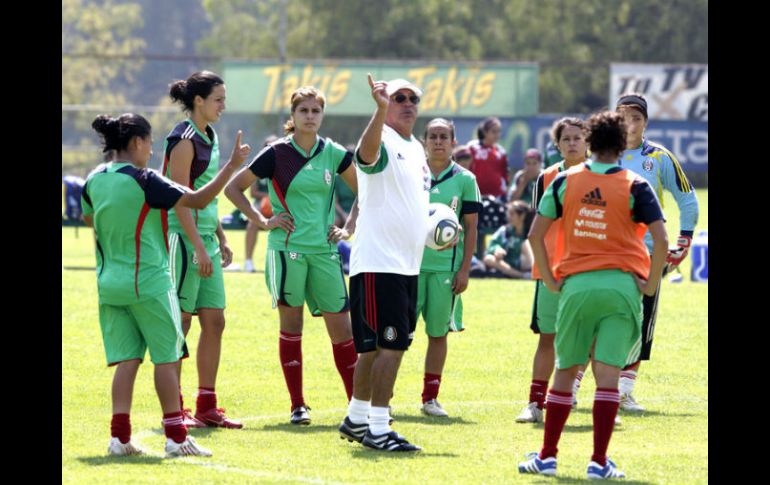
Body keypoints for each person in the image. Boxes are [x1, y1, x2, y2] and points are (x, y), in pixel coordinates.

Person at [84, 113, 250, 457]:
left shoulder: (93, 179)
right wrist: (232, 165)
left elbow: (91, 219)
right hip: (149, 282)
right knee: (167, 357)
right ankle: (176, 438)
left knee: (127, 361)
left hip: (109, 284)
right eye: (149, 142)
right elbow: (199, 199)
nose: (152, 149)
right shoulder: (146, 180)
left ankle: (119, 438)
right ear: (136, 143)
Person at [519, 111, 668, 479]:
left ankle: (548, 457)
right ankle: (599, 462)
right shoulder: (636, 184)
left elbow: (535, 235)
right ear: (621, 145)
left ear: (589, 141)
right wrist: (650, 284)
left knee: (566, 370)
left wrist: (552, 279)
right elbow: (662, 241)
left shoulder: (564, 181)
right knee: (608, 377)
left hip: (576, 286)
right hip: (621, 289)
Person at [225, 86, 359, 425]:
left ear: (322, 115)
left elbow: (366, 191)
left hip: (326, 252)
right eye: (304, 111)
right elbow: (233, 187)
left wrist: (348, 227)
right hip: (287, 252)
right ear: (293, 116)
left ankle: (357, 408)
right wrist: (261, 220)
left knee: (343, 331)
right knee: (292, 327)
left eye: (316, 111)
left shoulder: (335, 153)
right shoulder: (277, 154)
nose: (310, 117)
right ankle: (298, 405)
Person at [337, 75, 429, 452]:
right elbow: (366, 155)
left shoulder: (417, 147)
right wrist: (377, 112)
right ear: (385, 103)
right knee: (390, 349)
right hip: (380, 264)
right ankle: (378, 428)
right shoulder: (383, 139)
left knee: (374, 350)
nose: (407, 103)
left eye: (413, 98)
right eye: (398, 98)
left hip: (406, 265)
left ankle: (357, 419)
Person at [161, 70, 243, 429]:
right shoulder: (183, 139)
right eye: (218, 99)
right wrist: (198, 246)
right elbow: (180, 200)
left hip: (206, 238)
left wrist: (220, 236)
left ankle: (206, 404)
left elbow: (206, 194)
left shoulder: (209, 134)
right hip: (184, 240)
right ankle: (175, 408)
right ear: (199, 101)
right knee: (180, 324)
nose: (223, 106)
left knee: (215, 321)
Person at [614, 93, 699, 412]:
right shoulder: (603, 153)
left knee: (641, 320)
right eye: (624, 117)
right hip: (605, 250)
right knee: (599, 316)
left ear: (646, 123)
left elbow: (688, 199)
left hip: (647, 253)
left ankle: (624, 391)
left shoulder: (660, 157)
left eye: (637, 118)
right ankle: (578, 385)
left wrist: (684, 241)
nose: (630, 124)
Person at [516, 118, 592, 423]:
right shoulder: (546, 178)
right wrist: (544, 268)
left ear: (588, 141)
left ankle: (578, 391)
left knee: (589, 336)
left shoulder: (601, 175)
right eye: (566, 139)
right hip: (550, 271)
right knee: (547, 338)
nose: (572, 143)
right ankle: (535, 403)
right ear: (557, 145)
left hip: (587, 270)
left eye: (578, 138)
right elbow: (539, 226)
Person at [417, 118, 481, 417]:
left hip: (446, 270)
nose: (438, 142)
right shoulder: (413, 174)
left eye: (444, 137)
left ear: (454, 142)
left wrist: (464, 269)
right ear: (424, 141)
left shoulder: (465, 179)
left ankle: (430, 398)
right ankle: (384, 396)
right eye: (433, 136)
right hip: (409, 267)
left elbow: (471, 227)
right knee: (398, 333)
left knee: (438, 334)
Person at [467, 117, 509, 258]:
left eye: (499, 132)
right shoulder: (472, 148)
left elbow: (504, 174)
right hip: (475, 195)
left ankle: (494, 256)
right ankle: (475, 258)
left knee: (495, 228)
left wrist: (504, 193)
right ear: (484, 132)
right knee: (475, 227)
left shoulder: (501, 151)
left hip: (496, 197)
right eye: (493, 131)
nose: (497, 135)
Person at [244, 134, 278, 273]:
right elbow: (252, 192)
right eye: (268, 146)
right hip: (261, 203)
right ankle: (248, 261)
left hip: (279, 204)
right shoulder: (258, 164)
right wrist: (268, 197)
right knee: (252, 223)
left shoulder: (285, 164)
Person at [482, 201, 534, 279]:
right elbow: (492, 244)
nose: (508, 217)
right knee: (488, 258)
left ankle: (520, 274)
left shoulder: (531, 231)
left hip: (524, 263)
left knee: (525, 244)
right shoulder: (504, 230)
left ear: (522, 216)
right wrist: (497, 249)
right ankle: (522, 276)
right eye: (508, 213)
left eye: (512, 214)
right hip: (506, 262)